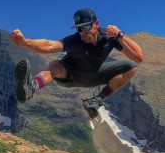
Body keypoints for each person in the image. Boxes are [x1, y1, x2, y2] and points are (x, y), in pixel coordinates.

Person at [11, 8, 144, 118]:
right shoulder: (75, 40)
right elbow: (49, 45)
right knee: (55, 65)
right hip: (69, 75)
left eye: (86, 27)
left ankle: (96, 101)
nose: (83, 32)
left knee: (131, 67)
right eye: (79, 29)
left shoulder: (109, 38)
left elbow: (138, 57)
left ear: (96, 24)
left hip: (92, 76)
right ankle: (31, 87)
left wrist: (120, 35)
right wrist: (25, 42)